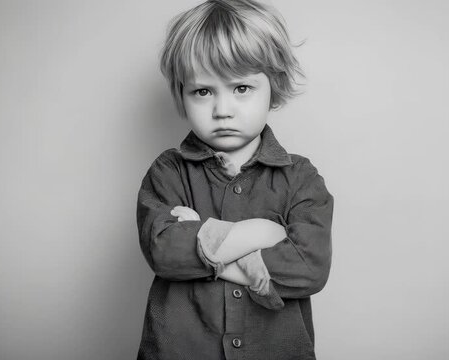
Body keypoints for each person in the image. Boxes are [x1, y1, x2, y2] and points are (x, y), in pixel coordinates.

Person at [136, 1, 333, 358]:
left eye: (241, 88)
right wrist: (261, 233)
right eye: (203, 91)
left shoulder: (302, 178)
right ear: (182, 93)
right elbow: (164, 251)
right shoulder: (168, 171)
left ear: (273, 85)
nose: (222, 109)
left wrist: (203, 237)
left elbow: (309, 268)